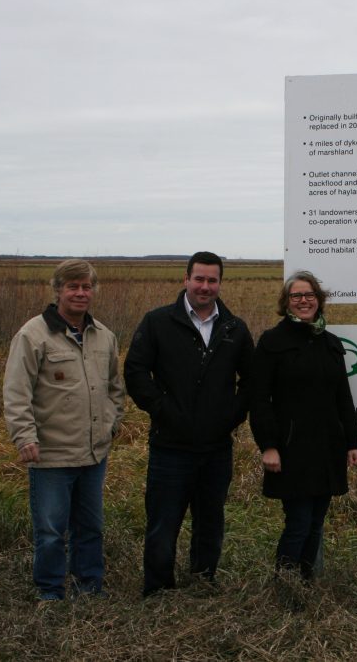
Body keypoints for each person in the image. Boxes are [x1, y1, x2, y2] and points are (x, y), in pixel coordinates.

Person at [124, 251, 254, 597]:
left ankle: (203, 581)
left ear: (220, 283)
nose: (205, 286)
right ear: (186, 279)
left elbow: (252, 380)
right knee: (163, 523)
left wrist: (232, 414)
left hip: (216, 448)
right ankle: (158, 589)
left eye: (212, 280)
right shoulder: (157, 322)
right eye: (199, 279)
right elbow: (136, 371)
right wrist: (162, 409)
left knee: (210, 522)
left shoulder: (234, 328)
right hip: (170, 447)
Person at [3, 259, 125, 601]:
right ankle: (50, 592)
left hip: (93, 453)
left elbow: (115, 387)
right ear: (58, 290)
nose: (80, 293)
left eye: (87, 287)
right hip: (51, 454)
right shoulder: (33, 335)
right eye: (73, 286)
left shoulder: (104, 336)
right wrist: (24, 436)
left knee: (90, 528)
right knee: (51, 531)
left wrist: (112, 422)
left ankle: (89, 587)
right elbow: (16, 391)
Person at [249, 271, 357, 582]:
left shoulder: (331, 343)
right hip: (290, 448)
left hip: (327, 447)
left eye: (309, 295)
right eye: (296, 296)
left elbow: (343, 396)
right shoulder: (273, 342)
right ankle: (287, 588)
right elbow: (259, 399)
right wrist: (268, 445)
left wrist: (353, 442)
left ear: (319, 300)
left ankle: (307, 585)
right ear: (286, 303)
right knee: (298, 522)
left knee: (315, 523)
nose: (304, 301)